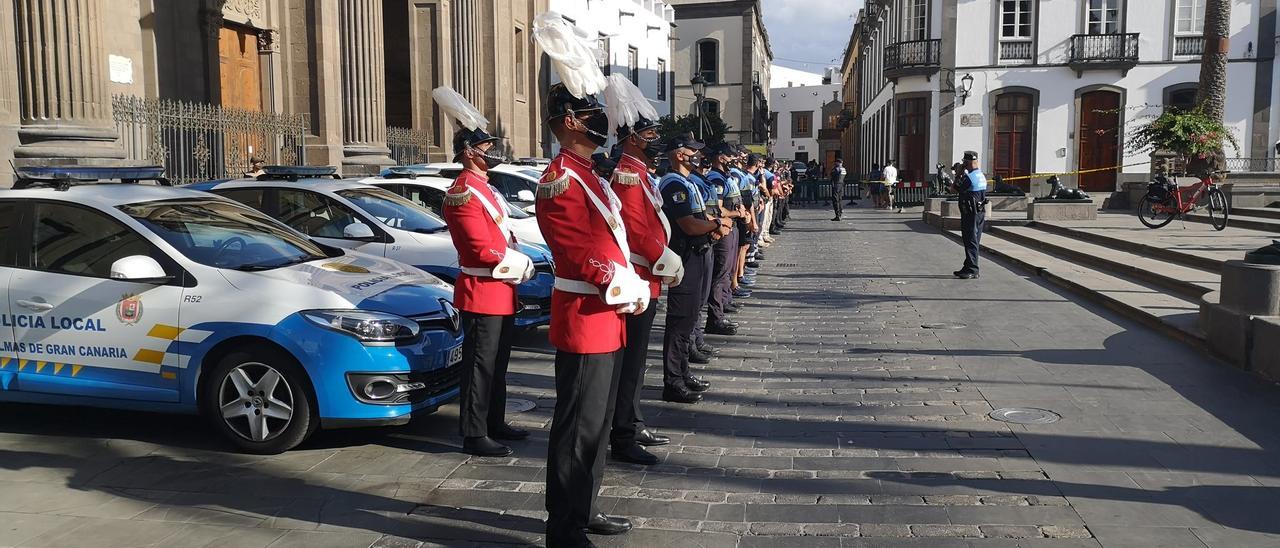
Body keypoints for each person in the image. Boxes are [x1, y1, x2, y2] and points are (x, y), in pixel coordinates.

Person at [533, 14, 646, 546]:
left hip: (607, 318)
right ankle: (565, 527)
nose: (602, 119)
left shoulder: (589, 175)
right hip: (585, 316)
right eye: (592, 112)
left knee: (595, 429)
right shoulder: (560, 179)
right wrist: (620, 281)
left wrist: (631, 277)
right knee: (577, 427)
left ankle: (586, 506)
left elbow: (614, 240)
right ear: (571, 122)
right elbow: (576, 252)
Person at [433, 86, 536, 458]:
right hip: (482, 286)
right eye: (485, 148)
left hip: (501, 288)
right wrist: (514, 260)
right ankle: (474, 433)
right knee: (480, 365)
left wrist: (515, 254)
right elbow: (479, 247)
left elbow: (501, 233)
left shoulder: (485, 188)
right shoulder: (463, 191)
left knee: (499, 363)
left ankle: (495, 421)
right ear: (468, 153)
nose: (490, 152)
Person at [603, 73, 684, 467]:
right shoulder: (628, 175)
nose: (655, 140)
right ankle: (624, 433)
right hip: (637, 277)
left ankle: (632, 421)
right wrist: (664, 258)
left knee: (638, 361)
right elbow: (636, 229)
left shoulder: (642, 175)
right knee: (631, 361)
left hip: (648, 278)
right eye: (649, 133)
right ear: (633, 138)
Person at [659, 133, 729, 404]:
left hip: (697, 253)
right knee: (680, 320)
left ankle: (683, 371)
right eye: (692, 150)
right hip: (685, 257)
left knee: (689, 318)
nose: (697, 155)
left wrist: (712, 224)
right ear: (679, 153)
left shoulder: (687, 182)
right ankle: (673, 380)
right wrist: (715, 225)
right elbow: (689, 224)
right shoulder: (673, 183)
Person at [704, 142, 742, 338]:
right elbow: (718, 208)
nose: (733, 160)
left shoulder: (725, 177)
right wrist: (736, 212)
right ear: (720, 157)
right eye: (730, 156)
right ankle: (715, 317)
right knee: (720, 273)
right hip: (723, 227)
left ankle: (724, 302)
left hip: (732, 226)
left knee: (727, 271)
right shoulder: (715, 178)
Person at [955, 151, 988, 280]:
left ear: (967, 163)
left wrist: (958, 174)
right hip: (979, 212)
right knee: (974, 240)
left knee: (970, 240)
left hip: (970, 213)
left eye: (965, 163)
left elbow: (953, 189)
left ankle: (972, 269)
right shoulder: (981, 175)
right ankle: (968, 265)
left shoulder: (969, 178)